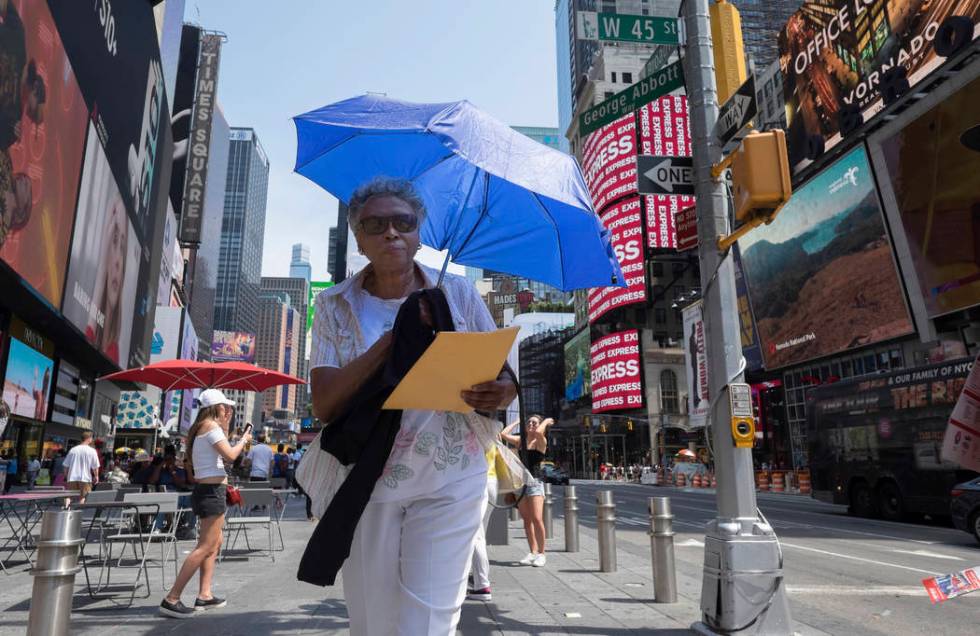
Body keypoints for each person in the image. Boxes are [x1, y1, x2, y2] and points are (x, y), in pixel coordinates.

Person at [306, 178, 515, 635]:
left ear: (419, 233)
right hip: (368, 481)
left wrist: (500, 392)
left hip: (453, 475)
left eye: (404, 222)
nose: (391, 233)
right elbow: (324, 402)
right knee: (374, 623)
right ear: (358, 238)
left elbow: (502, 374)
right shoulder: (333, 305)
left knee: (429, 623)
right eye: (375, 224)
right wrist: (392, 340)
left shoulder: (457, 293)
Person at [159, 389, 251, 619]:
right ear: (217, 407)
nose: (228, 410)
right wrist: (243, 440)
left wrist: (227, 428)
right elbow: (230, 456)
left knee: (214, 542)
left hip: (208, 490)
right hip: (211, 492)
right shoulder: (210, 427)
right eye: (225, 407)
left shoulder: (204, 428)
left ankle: (205, 594)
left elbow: (219, 454)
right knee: (205, 546)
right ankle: (172, 598)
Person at [501, 415, 554, 567]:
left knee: (537, 519)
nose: (531, 424)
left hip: (535, 483)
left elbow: (538, 433)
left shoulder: (540, 441)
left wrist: (544, 422)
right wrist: (517, 422)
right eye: (529, 422)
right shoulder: (520, 441)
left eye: (534, 422)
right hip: (520, 483)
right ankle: (532, 552)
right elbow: (503, 434)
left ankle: (542, 554)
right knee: (527, 520)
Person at [85, 194, 129, 364]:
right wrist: (102, 270)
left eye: (122, 247)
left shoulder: (113, 351)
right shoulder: (98, 336)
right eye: (114, 240)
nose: (118, 260)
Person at [467, 444, 499, 602]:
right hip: (492, 481)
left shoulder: (471, 424)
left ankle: (482, 585)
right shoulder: (490, 427)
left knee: (476, 536)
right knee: (480, 535)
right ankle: (477, 577)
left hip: (479, 481)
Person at [63, 432, 100, 503]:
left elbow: (65, 465)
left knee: (69, 496)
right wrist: (96, 476)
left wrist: (66, 476)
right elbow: (95, 466)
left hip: (72, 477)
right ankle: (80, 512)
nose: (92, 440)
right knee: (83, 497)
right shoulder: (92, 451)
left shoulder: (73, 450)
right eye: (91, 438)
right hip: (85, 478)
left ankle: (66, 509)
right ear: (88, 439)